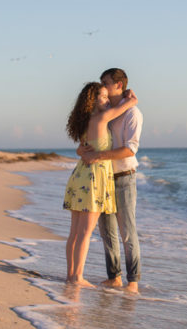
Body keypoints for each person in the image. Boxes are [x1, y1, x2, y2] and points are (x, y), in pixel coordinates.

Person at [64, 81, 138, 287]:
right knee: (85, 233)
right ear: (92, 100)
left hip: (80, 175)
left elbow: (81, 148)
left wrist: (81, 151)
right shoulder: (102, 117)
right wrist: (131, 96)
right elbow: (131, 103)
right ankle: (78, 278)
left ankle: (70, 275)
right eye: (103, 97)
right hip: (94, 178)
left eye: (107, 96)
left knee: (75, 232)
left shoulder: (84, 120)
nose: (107, 100)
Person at [79, 68, 143, 293]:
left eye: (105, 82)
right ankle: (114, 277)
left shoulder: (132, 113)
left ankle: (133, 281)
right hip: (103, 178)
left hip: (124, 178)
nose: (102, 86)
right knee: (106, 231)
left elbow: (129, 150)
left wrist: (97, 155)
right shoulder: (108, 109)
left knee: (127, 231)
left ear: (119, 85)